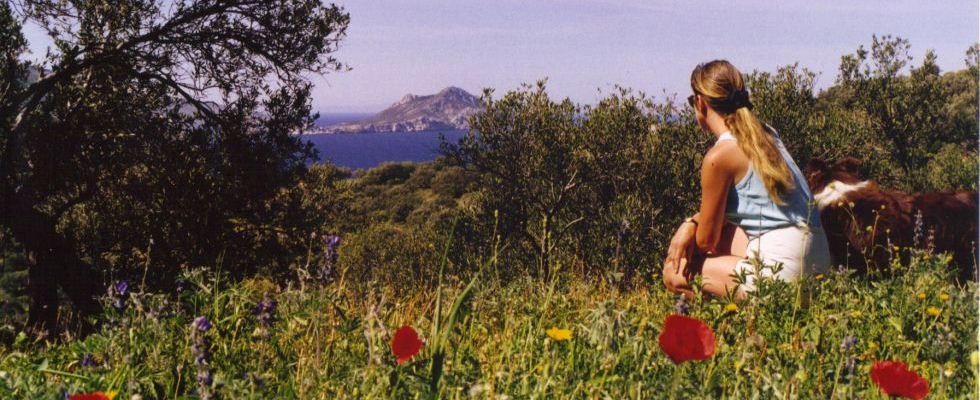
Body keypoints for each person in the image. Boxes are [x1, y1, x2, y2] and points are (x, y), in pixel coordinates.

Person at [662, 60, 831, 300]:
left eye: (692, 102)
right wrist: (691, 223)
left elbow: (706, 241)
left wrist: (690, 227)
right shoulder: (767, 134)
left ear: (700, 102)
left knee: (675, 271)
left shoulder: (718, 157)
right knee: (728, 232)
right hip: (821, 262)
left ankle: (729, 326)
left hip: (784, 274)